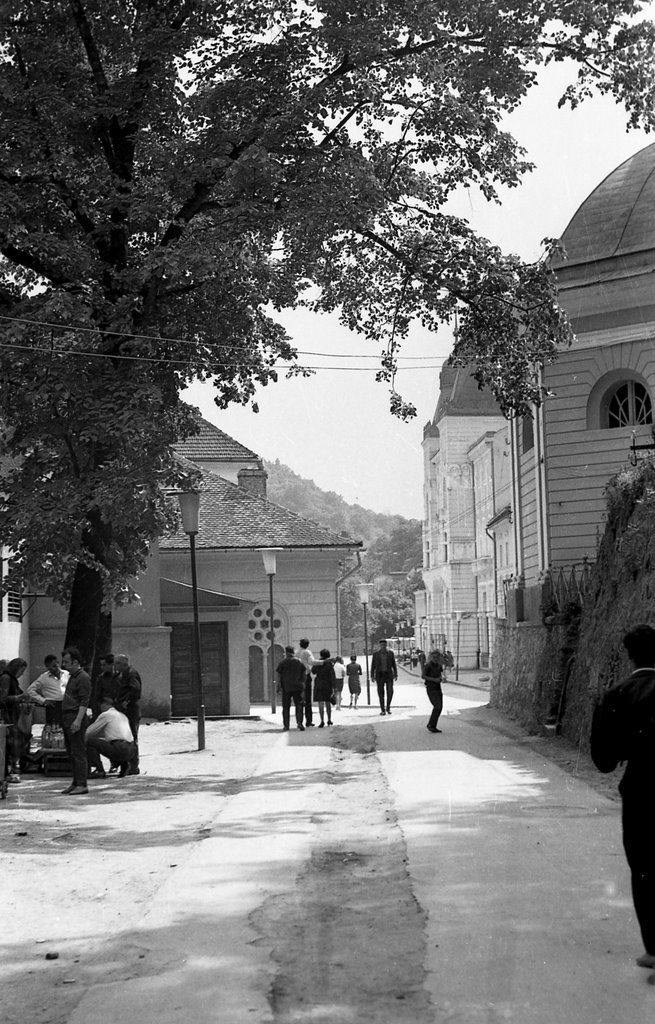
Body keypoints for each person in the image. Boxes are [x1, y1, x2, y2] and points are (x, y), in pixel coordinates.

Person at [590, 623, 655, 974]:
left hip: (642, 789)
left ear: (629, 656)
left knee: (644, 866)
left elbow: (603, 761)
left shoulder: (616, 695)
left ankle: (654, 948)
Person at [60, 647, 92, 795]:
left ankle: (82, 784)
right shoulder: (72, 676)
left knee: (78, 752)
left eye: (67, 662)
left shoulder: (83, 677)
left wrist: (78, 721)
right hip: (68, 717)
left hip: (75, 717)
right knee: (71, 751)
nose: (64, 665)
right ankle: (76, 782)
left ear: (76, 662)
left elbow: (84, 701)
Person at [85, 699, 138, 778]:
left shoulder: (106, 715)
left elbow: (89, 732)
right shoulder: (122, 715)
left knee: (89, 741)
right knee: (111, 742)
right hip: (132, 750)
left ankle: (99, 769)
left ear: (106, 704)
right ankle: (124, 766)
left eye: (101, 705)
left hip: (120, 749)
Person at [0, 658, 30, 783]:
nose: (22, 674)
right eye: (21, 671)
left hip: (13, 716)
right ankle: (5, 773)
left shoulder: (13, 680)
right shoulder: (6, 678)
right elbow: (3, 698)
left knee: (11, 745)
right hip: (7, 716)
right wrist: (19, 698)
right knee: (7, 745)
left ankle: (9, 770)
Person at [114, 653, 142, 775]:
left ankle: (134, 765)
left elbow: (135, 690)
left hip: (130, 710)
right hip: (124, 710)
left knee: (132, 737)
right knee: (125, 737)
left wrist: (127, 701)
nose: (115, 666)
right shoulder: (122, 674)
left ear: (123, 664)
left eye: (117, 663)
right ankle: (127, 764)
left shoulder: (131, 674)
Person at [26, 654, 69, 725]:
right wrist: (43, 701)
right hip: (53, 706)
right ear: (48, 667)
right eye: (53, 666)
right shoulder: (44, 677)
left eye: (57, 664)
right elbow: (30, 690)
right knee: (53, 728)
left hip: (66, 704)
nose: (56, 668)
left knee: (66, 727)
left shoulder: (67, 674)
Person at [276, 646, 306, 731]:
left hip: (286, 687)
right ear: (293, 652)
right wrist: (303, 683)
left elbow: (279, 674)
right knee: (299, 706)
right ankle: (299, 723)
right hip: (298, 687)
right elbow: (304, 673)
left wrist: (278, 686)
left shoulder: (283, 662)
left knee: (286, 707)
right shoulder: (299, 662)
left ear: (286, 652)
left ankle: (286, 725)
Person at [371, 639, 398, 715]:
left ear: (386, 645)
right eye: (381, 645)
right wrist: (372, 676)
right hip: (380, 676)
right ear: (379, 646)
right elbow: (373, 666)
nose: (383, 647)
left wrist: (395, 674)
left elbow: (394, 664)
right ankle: (382, 709)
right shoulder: (376, 654)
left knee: (390, 691)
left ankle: (388, 707)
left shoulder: (390, 653)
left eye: (384, 645)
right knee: (380, 693)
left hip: (388, 675)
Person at [422, 650, 445, 733]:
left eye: (437, 657)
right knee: (437, 706)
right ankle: (431, 725)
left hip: (438, 687)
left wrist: (442, 678)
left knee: (440, 707)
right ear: (431, 657)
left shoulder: (439, 666)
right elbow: (423, 676)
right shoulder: (428, 666)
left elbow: (441, 674)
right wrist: (434, 680)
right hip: (430, 688)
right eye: (434, 657)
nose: (435, 659)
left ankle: (432, 725)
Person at [312, 650, 336, 727]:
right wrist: (334, 686)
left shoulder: (318, 663)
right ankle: (329, 720)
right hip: (327, 684)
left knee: (320, 703)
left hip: (319, 684)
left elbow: (313, 671)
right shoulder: (329, 664)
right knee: (328, 702)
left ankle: (322, 720)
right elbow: (332, 676)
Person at [298, 639, 316, 727]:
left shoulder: (296, 652)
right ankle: (308, 721)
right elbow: (312, 662)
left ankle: (299, 721)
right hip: (306, 676)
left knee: (299, 699)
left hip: (297, 677)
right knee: (308, 699)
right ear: (308, 645)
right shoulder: (307, 652)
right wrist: (323, 662)